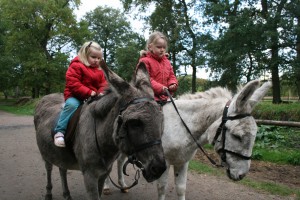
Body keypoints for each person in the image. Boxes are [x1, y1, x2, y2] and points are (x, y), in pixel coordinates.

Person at [53, 41, 108, 147]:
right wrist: (88, 92)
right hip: (75, 95)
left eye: (99, 58)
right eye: (93, 57)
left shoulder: (99, 70)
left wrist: (101, 93)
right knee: (72, 105)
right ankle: (60, 131)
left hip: (93, 96)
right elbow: (73, 83)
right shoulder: (76, 65)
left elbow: (103, 83)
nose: (96, 60)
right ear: (85, 54)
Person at [138, 31, 178, 103]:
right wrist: (160, 88)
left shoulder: (167, 62)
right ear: (150, 47)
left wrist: (172, 84)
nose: (162, 50)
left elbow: (171, 76)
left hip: (166, 97)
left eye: (164, 47)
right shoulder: (144, 61)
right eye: (159, 47)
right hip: (149, 98)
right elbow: (145, 79)